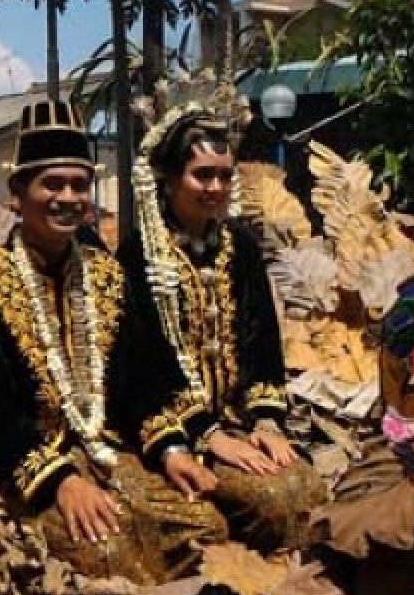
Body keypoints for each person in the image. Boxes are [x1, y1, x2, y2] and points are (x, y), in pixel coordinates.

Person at [0, 100, 225, 585]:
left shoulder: (108, 276)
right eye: (52, 184)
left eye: (79, 185)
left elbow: (140, 382)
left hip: (109, 453)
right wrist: (62, 481)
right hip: (24, 473)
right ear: (17, 194)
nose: (68, 197)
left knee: (206, 527)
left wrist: (172, 451)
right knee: (111, 554)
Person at [111, 104, 327, 553]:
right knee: (272, 500)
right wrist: (208, 435)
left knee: (305, 487)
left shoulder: (241, 248)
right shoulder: (138, 258)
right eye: (202, 175)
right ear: (169, 180)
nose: (215, 188)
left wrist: (266, 420)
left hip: (239, 422)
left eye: (225, 176)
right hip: (174, 427)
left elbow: (261, 342)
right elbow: (141, 367)